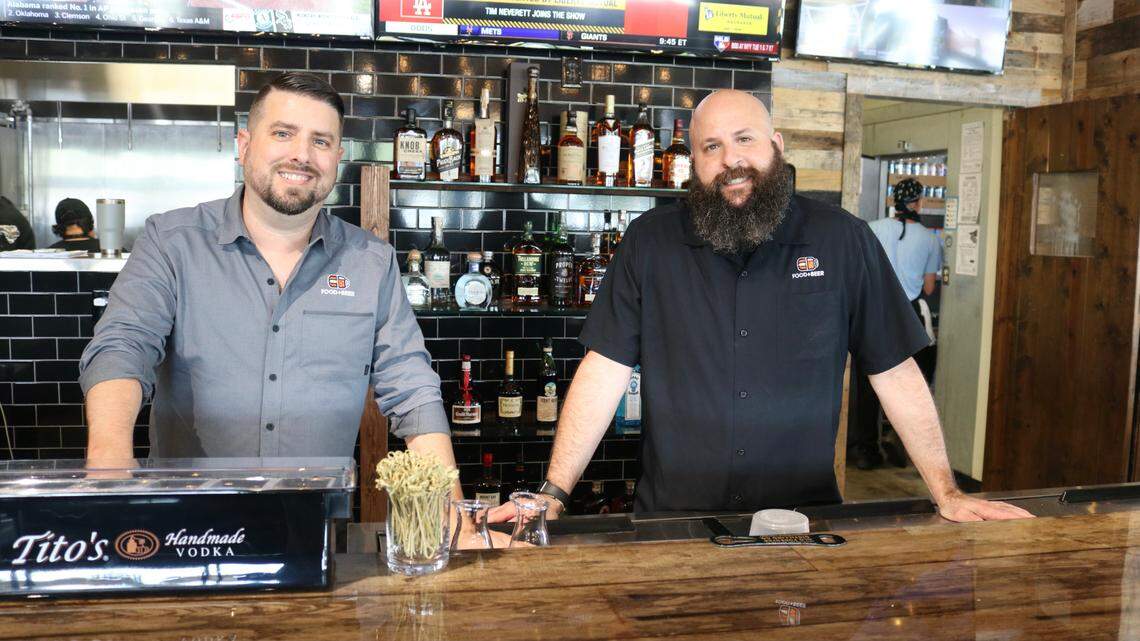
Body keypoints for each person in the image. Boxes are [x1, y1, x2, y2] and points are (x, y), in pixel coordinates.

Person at [494, 90, 1031, 523]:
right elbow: (604, 368)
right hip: (672, 522)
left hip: (800, 520)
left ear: (776, 145)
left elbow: (894, 370)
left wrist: (946, 492)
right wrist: (553, 493)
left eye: (744, 139)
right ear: (692, 161)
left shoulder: (843, 239)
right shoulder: (650, 242)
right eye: (711, 147)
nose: (731, 159)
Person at [79, 73, 460, 497]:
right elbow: (122, 345)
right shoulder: (171, 242)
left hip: (313, 517)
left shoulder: (371, 262)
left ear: (337, 157)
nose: (301, 155)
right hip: (191, 515)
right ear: (244, 145)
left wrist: (451, 507)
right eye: (283, 133)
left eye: (320, 141)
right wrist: (109, 458)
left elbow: (411, 386)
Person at [850, 178, 943, 469]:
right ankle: (902, 444)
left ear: (893, 201)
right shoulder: (930, 239)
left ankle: (866, 451)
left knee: (869, 384)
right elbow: (929, 287)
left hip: (873, 313)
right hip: (908, 316)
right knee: (909, 382)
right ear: (919, 203)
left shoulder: (871, 228)